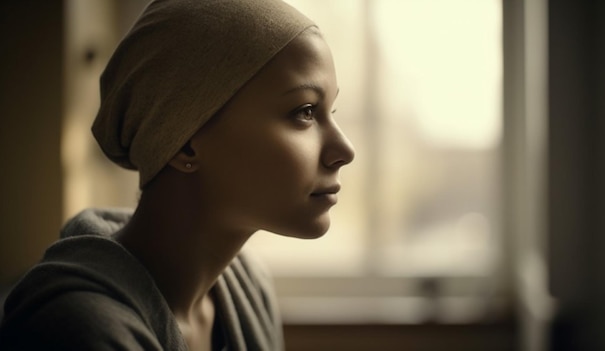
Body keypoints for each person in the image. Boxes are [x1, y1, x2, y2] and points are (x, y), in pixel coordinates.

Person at [0, 0, 354, 349]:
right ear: (184, 143)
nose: (345, 150)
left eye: (330, 111)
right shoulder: (76, 329)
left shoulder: (249, 288)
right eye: (305, 111)